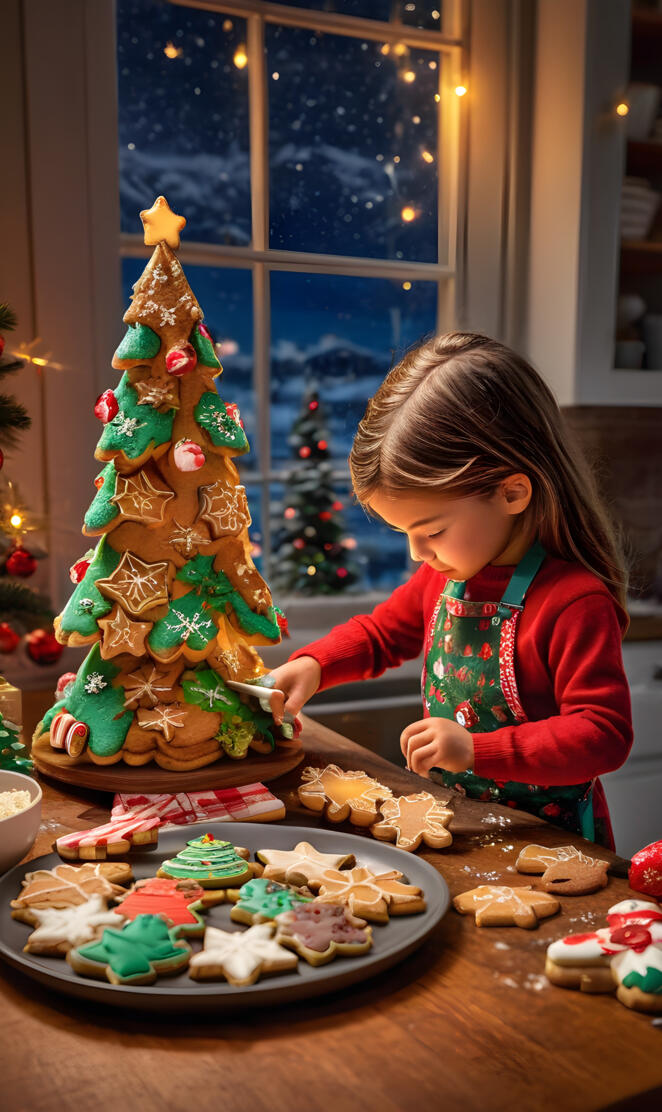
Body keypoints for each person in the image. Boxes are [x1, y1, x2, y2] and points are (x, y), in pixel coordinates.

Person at [268, 332, 633, 848]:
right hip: (460, 825)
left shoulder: (573, 602)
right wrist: (315, 665)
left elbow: (603, 735)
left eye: (432, 531)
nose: (418, 553)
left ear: (511, 492)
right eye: (405, 534)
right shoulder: (446, 576)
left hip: (552, 839)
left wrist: (478, 750)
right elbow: (381, 635)